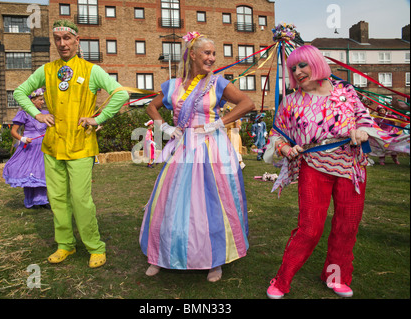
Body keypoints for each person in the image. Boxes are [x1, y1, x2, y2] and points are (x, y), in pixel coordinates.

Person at [263, 45, 409, 299]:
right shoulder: (290, 101)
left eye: (303, 65)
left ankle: (336, 276)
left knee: (347, 225)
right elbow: (277, 134)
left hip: (351, 166)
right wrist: (286, 148)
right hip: (314, 167)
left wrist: (361, 131)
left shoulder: (346, 92)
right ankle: (282, 279)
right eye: (293, 68)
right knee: (309, 228)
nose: (297, 72)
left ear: (316, 63)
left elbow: (363, 118)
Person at [139, 31, 255, 282]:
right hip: (182, 148)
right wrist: (165, 128)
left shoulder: (219, 84)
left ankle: (215, 258)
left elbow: (247, 103)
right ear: (192, 54)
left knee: (212, 204)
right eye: (207, 52)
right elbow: (150, 107)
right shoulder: (173, 85)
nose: (212, 58)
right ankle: (161, 255)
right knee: (170, 201)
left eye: (214, 53)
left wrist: (217, 124)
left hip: (212, 148)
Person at [13, 19, 129, 269]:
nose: (62, 43)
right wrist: (38, 114)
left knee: (80, 199)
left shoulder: (91, 70)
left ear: (77, 41)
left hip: (81, 146)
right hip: (53, 146)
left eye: (67, 38)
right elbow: (19, 92)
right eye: (58, 39)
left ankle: (95, 246)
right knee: (57, 199)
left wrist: (99, 118)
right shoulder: (46, 70)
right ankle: (65, 244)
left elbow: (121, 94)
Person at [3, 88, 50, 209]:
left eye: (42, 99)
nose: (42, 102)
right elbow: (13, 131)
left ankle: (41, 200)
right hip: (29, 147)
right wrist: (23, 139)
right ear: (32, 100)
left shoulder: (46, 113)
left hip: (43, 146)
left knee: (42, 171)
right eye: (40, 99)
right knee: (29, 173)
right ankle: (30, 200)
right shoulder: (24, 113)